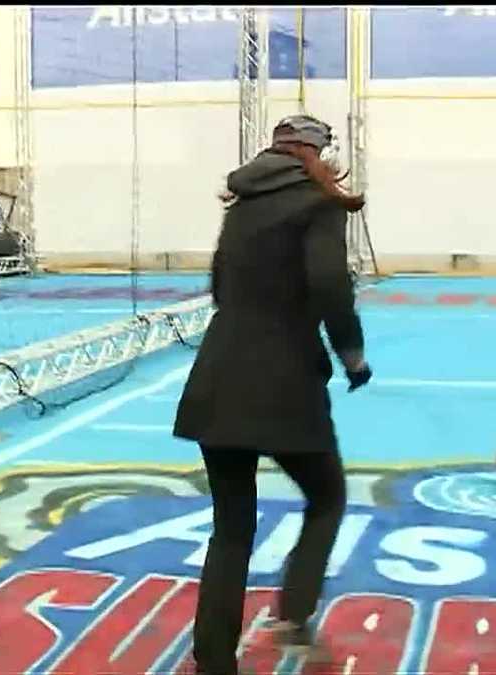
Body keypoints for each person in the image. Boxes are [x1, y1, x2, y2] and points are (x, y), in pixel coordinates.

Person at [172, 114, 373, 675]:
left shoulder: (239, 205)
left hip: (219, 376)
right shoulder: (318, 204)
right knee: (328, 496)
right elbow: (331, 285)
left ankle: (214, 660)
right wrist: (352, 357)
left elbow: (218, 283)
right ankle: (295, 608)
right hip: (285, 383)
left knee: (231, 529)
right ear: (317, 152)